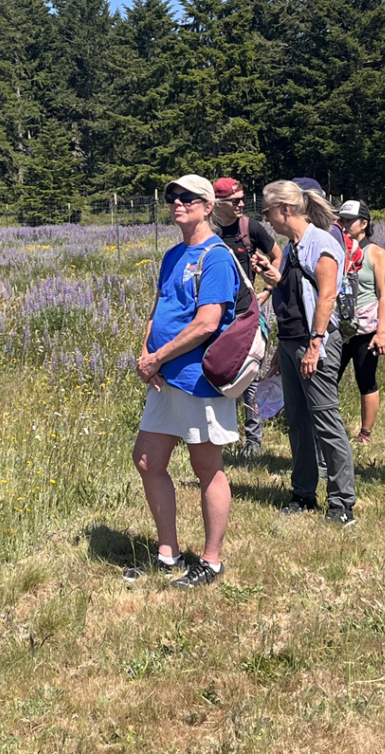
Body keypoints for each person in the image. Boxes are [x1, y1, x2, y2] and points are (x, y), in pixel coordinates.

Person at [127, 174, 240, 587]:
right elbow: (159, 310)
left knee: (206, 466)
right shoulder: (174, 254)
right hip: (164, 376)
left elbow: (207, 322)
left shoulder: (217, 257)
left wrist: (157, 357)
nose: (178, 203)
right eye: (173, 197)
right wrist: (146, 356)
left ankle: (211, 561)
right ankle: (167, 552)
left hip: (197, 377)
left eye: (188, 198)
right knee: (147, 459)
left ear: (208, 206)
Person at [252, 180, 357, 526]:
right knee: (297, 421)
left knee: (326, 420)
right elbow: (297, 290)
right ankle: (303, 492)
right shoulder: (293, 245)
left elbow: (326, 296)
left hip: (315, 344)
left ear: (285, 208)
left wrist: (315, 345)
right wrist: (272, 276)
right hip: (290, 342)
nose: (266, 219)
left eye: (267, 212)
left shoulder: (321, 243)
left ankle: (342, 501)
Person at [212, 177, 282, 458]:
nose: (241, 204)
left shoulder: (249, 227)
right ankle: (218, 435)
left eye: (242, 198)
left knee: (250, 374)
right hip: (215, 315)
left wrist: (266, 291)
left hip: (248, 313)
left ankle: (253, 440)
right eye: (234, 200)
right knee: (216, 372)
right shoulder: (208, 231)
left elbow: (277, 256)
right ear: (217, 204)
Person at [336, 200, 385, 443]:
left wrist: (381, 331)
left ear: (364, 224)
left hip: (365, 328)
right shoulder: (336, 249)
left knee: (365, 378)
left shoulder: (375, 253)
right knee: (328, 378)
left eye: (349, 220)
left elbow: (383, 294)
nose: (344, 225)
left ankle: (365, 434)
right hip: (337, 326)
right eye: (342, 220)